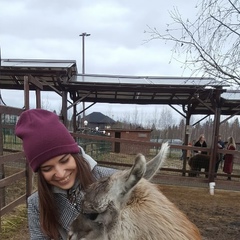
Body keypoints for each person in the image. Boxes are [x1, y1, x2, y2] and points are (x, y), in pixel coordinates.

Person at [15, 109, 116, 239]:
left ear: (75, 155)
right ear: (40, 172)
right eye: (47, 169)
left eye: (64, 160)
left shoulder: (112, 181)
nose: (61, 174)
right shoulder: (37, 204)